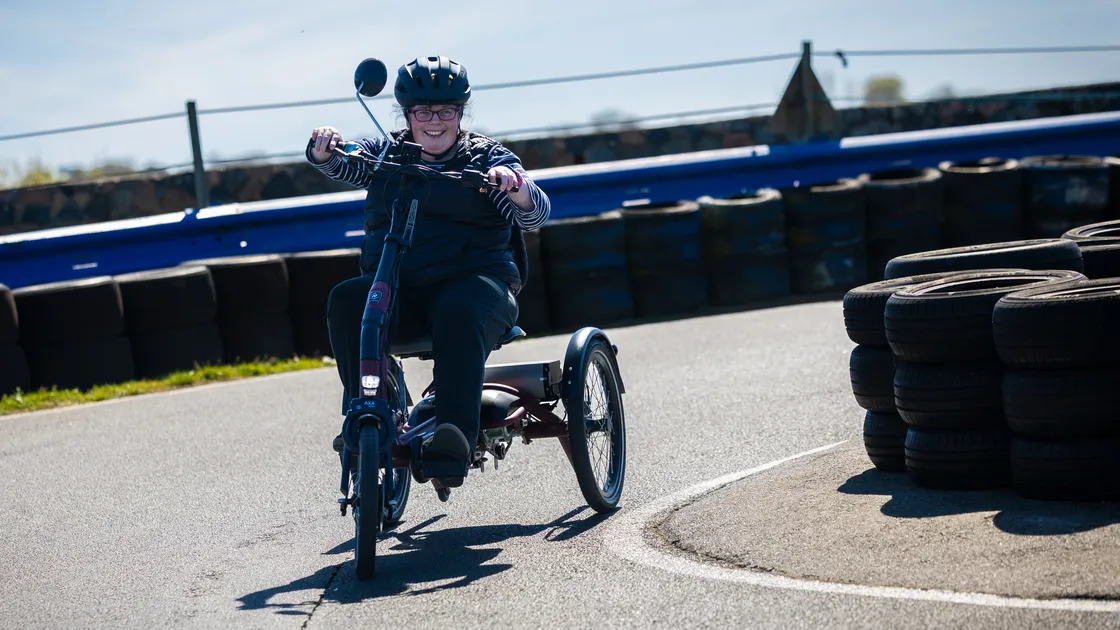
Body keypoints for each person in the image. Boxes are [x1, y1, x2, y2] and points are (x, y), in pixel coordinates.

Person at [305, 55, 550, 488]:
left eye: (446, 111)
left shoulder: (488, 157)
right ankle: (366, 414)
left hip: (479, 289)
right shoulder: (387, 154)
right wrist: (323, 150)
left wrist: (515, 188)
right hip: (402, 291)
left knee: (458, 306)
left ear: (460, 112)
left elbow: (536, 214)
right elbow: (345, 164)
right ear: (407, 114)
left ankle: (453, 434)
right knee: (346, 299)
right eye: (423, 111)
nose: (435, 121)